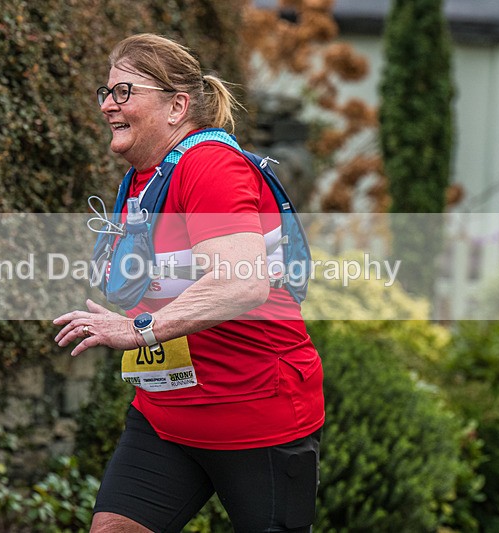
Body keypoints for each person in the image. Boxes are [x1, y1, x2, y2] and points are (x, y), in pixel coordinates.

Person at [54, 33, 324, 533]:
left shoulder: (209, 165)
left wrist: (138, 330)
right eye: (106, 92)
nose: (109, 106)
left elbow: (241, 284)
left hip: (256, 416)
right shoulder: (144, 176)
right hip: (166, 417)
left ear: (177, 106)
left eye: (124, 92)